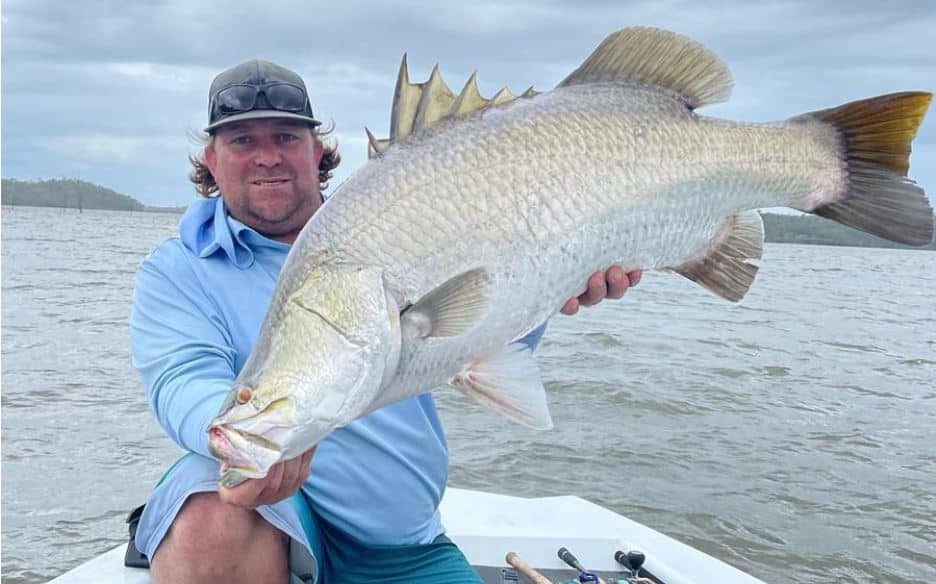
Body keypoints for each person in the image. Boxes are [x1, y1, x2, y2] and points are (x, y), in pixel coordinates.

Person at [129, 59, 642, 584]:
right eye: (241, 141)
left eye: (285, 135)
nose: (266, 157)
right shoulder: (179, 269)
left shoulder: (394, 223)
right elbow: (179, 378)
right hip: (277, 527)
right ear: (212, 161)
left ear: (318, 151)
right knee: (207, 512)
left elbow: (485, 334)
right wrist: (234, 437)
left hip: (403, 542)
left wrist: (563, 284)